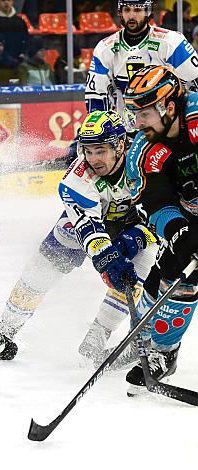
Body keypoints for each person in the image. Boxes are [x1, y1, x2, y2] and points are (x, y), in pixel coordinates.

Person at [0, 110, 159, 366]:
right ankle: (7, 326)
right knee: (46, 263)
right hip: (87, 225)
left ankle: (98, 335)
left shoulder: (144, 161)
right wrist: (107, 259)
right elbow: (89, 227)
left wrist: (136, 238)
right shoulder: (75, 180)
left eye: (100, 151)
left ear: (120, 145)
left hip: (131, 224)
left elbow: (161, 210)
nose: (93, 159)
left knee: (144, 258)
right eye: (88, 151)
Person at [122, 65, 198, 394]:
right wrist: (178, 231)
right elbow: (155, 202)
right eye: (134, 114)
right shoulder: (144, 151)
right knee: (174, 264)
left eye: (144, 114)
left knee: (188, 276)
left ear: (168, 107)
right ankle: (151, 341)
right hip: (189, 212)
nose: (137, 123)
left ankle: (163, 350)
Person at [86, 0, 198, 115]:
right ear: (120, 12)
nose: (131, 15)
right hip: (126, 128)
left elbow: (195, 85)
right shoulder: (105, 48)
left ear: (148, 12)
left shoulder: (173, 42)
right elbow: (96, 96)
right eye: (127, 10)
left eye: (138, 10)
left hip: (168, 128)